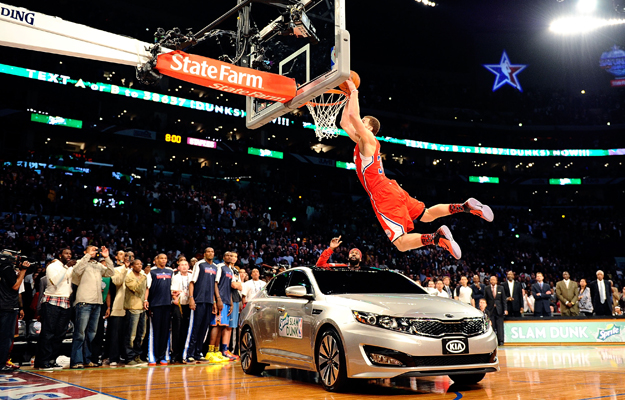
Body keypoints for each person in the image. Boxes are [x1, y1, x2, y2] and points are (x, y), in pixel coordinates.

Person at [339, 78, 493, 258]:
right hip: (391, 188)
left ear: (370, 128)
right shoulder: (362, 142)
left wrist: (354, 90)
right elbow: (344, 123)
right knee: (426, 214)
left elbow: (352, 118)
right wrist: (347, 97)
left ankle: (437, 238)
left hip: (382, 194)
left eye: (363, 122)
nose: (360, 123)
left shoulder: (368, 140)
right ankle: (465, 207)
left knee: (401, 243)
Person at [70, 246, 114, 369]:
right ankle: (76, 360)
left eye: (95, 250)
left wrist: (107, 257)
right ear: (85, 252)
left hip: (97, 302)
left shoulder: (97, 265)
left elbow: (110, 272)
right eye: (91, 250)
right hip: (84, 301)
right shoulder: (80, 262)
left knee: (91, 334)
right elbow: (77, 272)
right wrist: (87, 255)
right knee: (80, 333)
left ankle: (87, 359)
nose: (94, 252)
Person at [35, 248, 74, 370]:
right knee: (48, 333)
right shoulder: (52, 266)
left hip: (66, 301)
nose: (69, 255)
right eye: (66, 253)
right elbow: (55, 281)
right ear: (60, 255)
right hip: (52, 301)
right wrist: (66, 267)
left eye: (70, 254)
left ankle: (52, 360)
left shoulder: (68, 268)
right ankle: (42, 361)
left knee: (60, 334)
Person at [183, 247, 223, 363]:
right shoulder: (199, 265)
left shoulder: (216, 267)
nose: (210, 253)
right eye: (208, 251)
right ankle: (188, 354)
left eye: (212, 251)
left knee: (204, 329)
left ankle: (198, 352)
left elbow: (215, 285)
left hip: (209, 301)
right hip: (198, 300)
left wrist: (215, 301)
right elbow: (192, 282)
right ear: (205, 254)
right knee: (195, 328)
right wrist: (191, 298)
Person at [0, 252, 28, 373]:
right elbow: (16, 286)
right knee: (6, 337)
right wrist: (23, 271)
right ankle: (1, 364)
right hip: (7, 307)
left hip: (2, 306)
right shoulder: (7, 269)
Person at [145, 253, 174, 366]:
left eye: (165, 258)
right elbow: (148, 288)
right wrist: (146, 300)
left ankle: (163, 356)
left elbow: (173, 288)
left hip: (167, 304)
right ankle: (153, 355)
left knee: (165, 331)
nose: (163, 260)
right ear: (156, 260)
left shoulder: (171, 271)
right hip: (155, 305)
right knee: (154, 331)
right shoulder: (152, 272)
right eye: (161, 258)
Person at [209, 252, 238, 362]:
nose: (230, 257)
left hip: (227, 301)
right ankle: (210, 352)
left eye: (232, 256)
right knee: (216, 326)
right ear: (223, 257)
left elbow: (229, 288)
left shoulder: (230, 270)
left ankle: (217, 351)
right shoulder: (220, 267)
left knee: (222, 326)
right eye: (228, 255)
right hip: (220, 300)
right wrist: (217, 300)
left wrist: (231, 303)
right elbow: (215, 284)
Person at [124, 259, 148, 367]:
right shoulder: (129, 277)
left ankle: (137, 356)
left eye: (140, 264)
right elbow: (136, 288)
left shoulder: (143, 276)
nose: (139, 266)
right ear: (132, 266)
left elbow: (146, 290)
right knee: (131, 335)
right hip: (133, 307)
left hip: (142, 308)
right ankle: (129, 358)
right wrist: (144, 276)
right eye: (137, 264)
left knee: (141, 334)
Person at [171, 259, 191, 364]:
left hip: (189, 305)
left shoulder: (191, 277)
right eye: (182, 265)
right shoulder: (176, 277)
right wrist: (174, 296)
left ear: (188, 267)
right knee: (176, 331)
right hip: (178, 305)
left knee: (185, 331)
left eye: (185, 265)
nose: (184, 267)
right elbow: (173, 291)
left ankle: (183, 354)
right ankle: (174, 354)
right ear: (178, 267)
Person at [484, 275, 507, 346]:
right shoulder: (486, 288)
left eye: (494, 279)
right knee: (492, 326)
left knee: (500, 326)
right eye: (491, 280)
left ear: (496, 281)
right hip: (490, 310)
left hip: (499, 310)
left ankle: (501, 341)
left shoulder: (501, 288)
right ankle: (493, 341)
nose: (493, 281)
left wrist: (505, 309)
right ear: (490, 281)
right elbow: (485, 299)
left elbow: (503, 300)